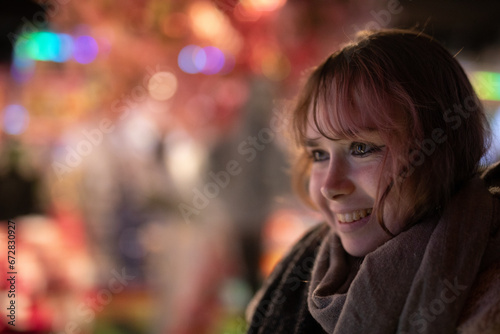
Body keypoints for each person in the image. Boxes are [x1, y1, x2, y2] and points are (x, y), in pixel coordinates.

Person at [245, 29, 500, 334]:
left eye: (361, 148)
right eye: (318, 154)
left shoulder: (488, 296)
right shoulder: (304, 264)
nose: (329, 186)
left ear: (441, 149)